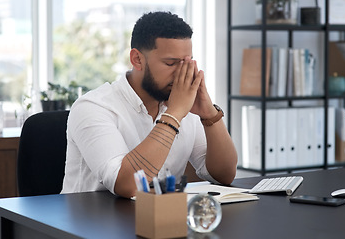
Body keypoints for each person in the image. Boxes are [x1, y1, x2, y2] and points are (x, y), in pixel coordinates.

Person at [61, 11, 237, 198]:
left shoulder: (183, 103)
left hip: (161, 218)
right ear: (137, 59)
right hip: (91, 222)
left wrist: (209, 115)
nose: (181, 74)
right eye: (171, 63)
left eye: (186, 63)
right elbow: (127, 186)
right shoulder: (93, 107)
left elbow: (224, 175)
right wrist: (174, 113)